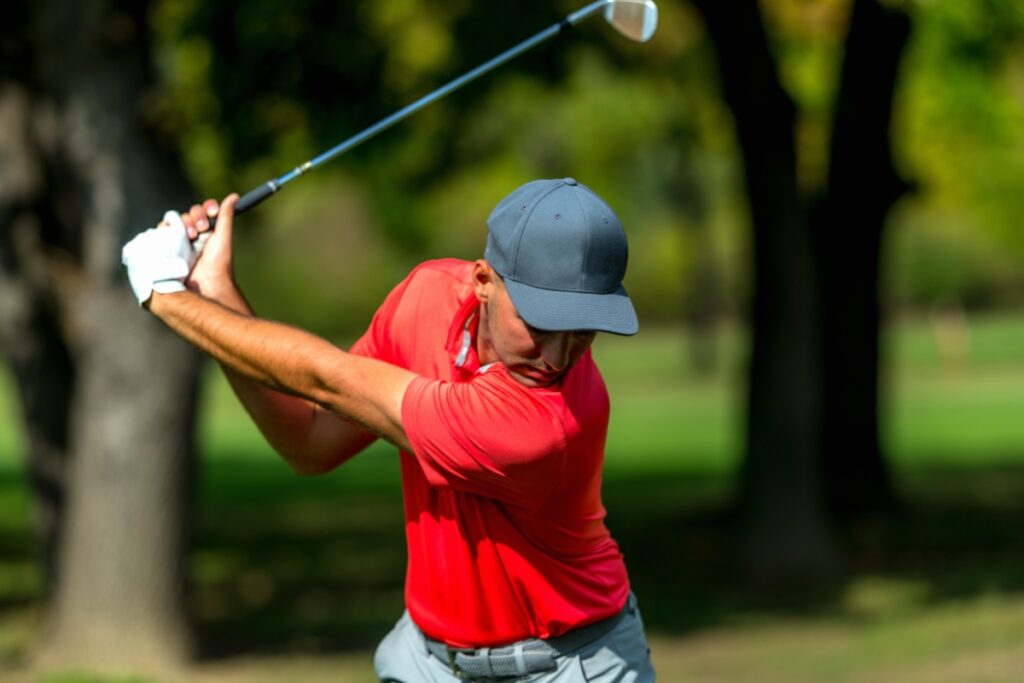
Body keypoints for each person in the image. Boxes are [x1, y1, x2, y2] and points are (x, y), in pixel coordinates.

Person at [122, 177, 656, 682]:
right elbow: (310, 439)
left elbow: (328, 381)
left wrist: (166, 295)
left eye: (583, 332)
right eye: (540, 324)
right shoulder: (425, 297)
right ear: (483, 280)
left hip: (570, 665)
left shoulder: (543, 427)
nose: (557, 356)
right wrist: (214, 288)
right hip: (427, 659)